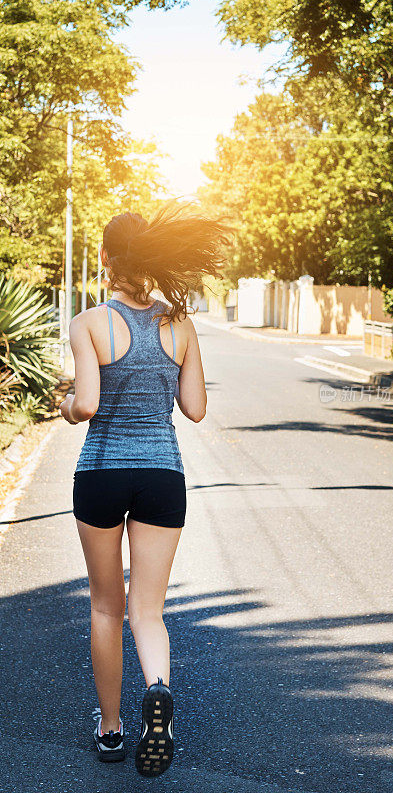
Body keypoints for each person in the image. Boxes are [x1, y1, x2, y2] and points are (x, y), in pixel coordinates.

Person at [59, 202, 232, 777]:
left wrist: (63, 406)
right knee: (148, 611)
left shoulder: (89, 323)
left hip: (103, 473)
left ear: (106, 260)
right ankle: (157, 690)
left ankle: (111, 731)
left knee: (107, 607)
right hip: (162, 476)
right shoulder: (179, 323)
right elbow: (197, 409)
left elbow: (85, 403)